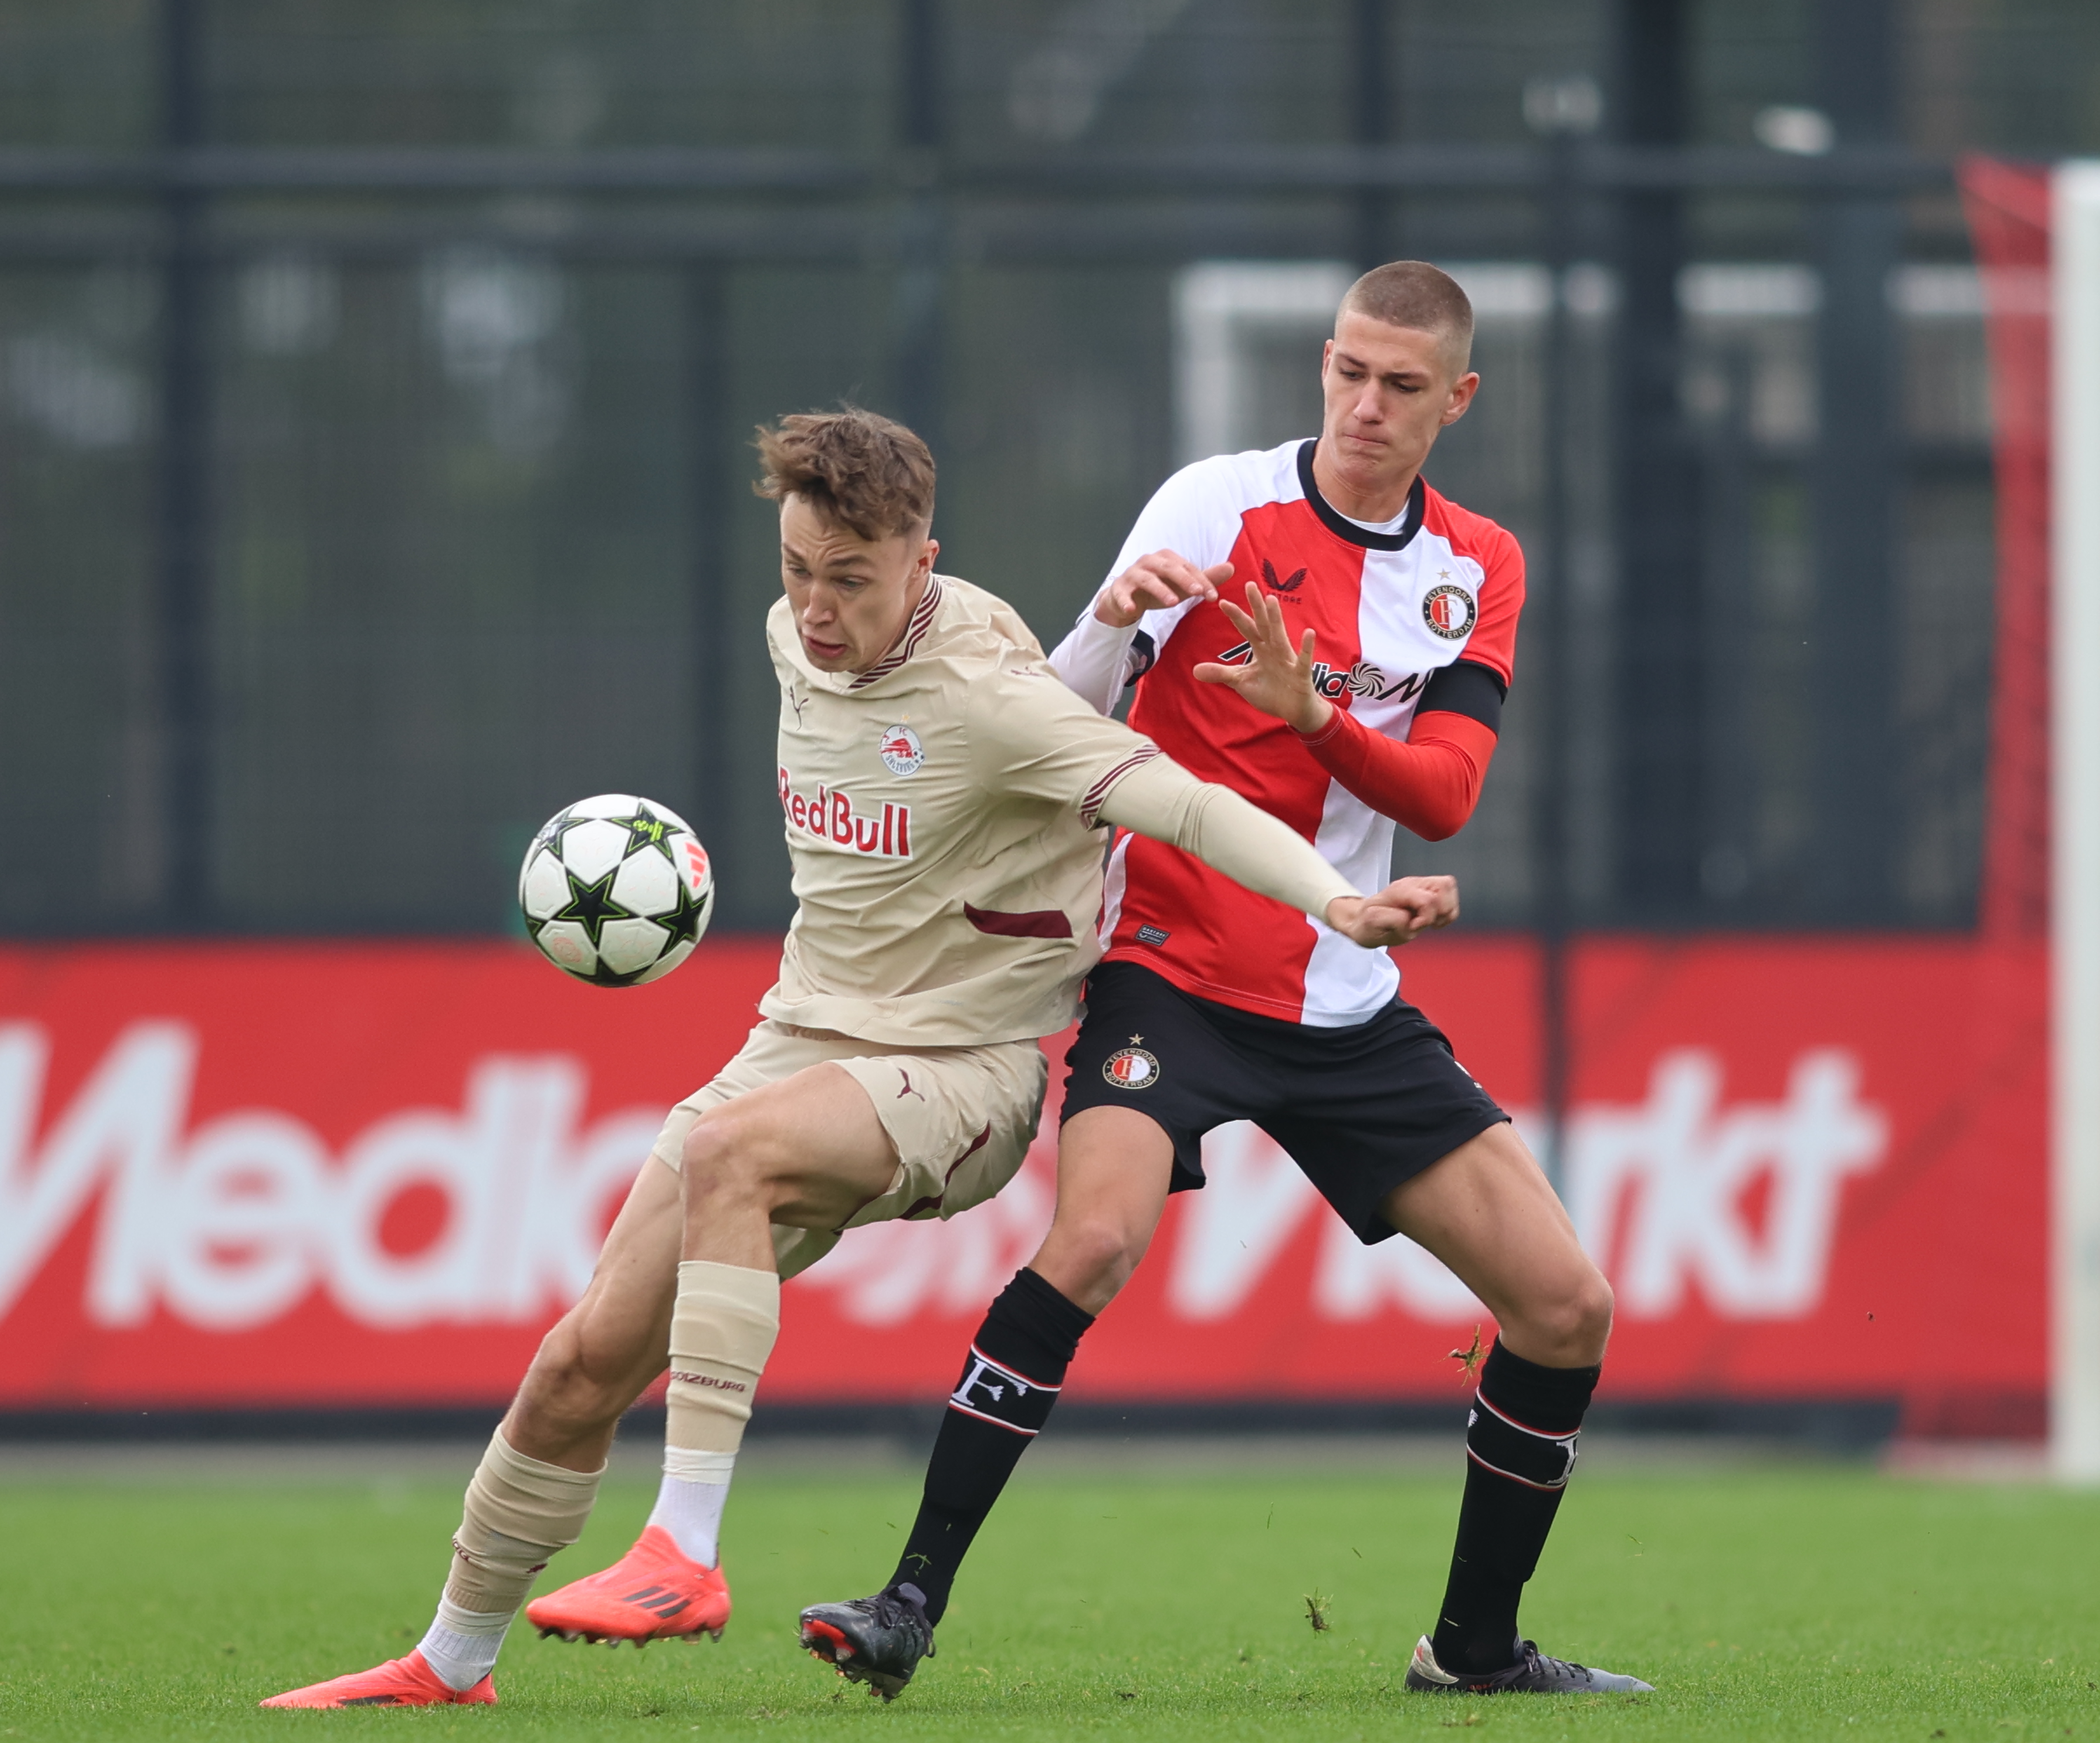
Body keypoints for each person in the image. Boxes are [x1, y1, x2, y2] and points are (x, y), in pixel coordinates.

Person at [259, 407, 1456, 1709]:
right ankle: (450, 1663)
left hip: (964, 1070)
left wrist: (1332, 903)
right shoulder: (797, 639)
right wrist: (1105, 624)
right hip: (799, 1035)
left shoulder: (990, 695)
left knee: (733, 1155)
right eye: (797, 570)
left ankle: (686, 1548)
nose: (817, 608)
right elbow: (1011, 689)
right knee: (580, 1363)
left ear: (921, 561)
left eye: (851, 580)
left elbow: (1182, 800)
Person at [799, 263, 1646, 1700]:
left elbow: (1443, 796)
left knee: (1567, 1308)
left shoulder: (1476, 567)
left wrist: (1311, 712)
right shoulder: (1213, 506)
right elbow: (1054, 717)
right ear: (1322, 364)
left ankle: (1474, 1651)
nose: (1365, 407)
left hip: (1344, 993)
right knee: (1095, 1242)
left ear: (1459, 400)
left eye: (1401, 385)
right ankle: (907, 1604)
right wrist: (1121, 624)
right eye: (1348, 373)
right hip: (1172, 972)